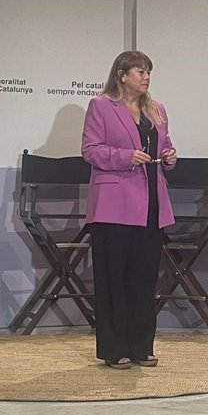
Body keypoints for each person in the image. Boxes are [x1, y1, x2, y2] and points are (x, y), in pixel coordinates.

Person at [82, 51, 177, 369]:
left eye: (149, 71)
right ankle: (114, 349)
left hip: (151, 203)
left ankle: (141, 346)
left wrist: (169, 155)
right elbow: (90, 150)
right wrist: (125, 157)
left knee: (144, 277)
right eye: (140, 71)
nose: (146, 77)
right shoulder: (101, 106)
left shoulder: (157, 109)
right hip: (113, 207)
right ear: (121, 75)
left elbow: (164, 145)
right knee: (114, 279)